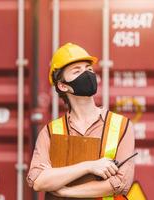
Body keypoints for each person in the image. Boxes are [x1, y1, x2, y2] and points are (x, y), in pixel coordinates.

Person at [26, 43, 135, 199]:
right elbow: (37, 181)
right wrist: (90, 166)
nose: (87, 74)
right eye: (77, 71)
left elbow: (120, 183)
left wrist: (64, 190)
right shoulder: (51, 132)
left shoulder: (121, 126)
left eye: (89, 69)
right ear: (63, 86)